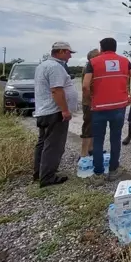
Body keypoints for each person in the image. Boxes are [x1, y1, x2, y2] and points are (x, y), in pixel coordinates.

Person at [82, 37, 131, 178]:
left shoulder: (93, 62)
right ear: (115, 48)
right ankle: (113, 171)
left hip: (99, 107)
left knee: (98, 140)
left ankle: (98, 174)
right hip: (119, 107)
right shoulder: (124, 61)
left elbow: (85, 85)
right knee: (115, 138)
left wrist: (90, 101)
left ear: (101, 48)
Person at [33, 41, 79, 187]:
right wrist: (64, 110)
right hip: (54, 112)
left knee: (43, 143)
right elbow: (56, 90)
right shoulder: (55, 67)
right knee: (54, 145)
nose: (70, 56)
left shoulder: (43, 65)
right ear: (60, 51)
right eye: (68, 53)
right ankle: (47, 177)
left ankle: (39, 173)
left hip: (44, 111)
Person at [80, 48, 100, 158]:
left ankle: (91, 149)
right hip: (89, 102)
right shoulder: (89, 68)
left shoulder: (91, 67)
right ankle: (83, 153)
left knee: (94, 126)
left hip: (94, 102)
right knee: (88, 126)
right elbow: (87, 87)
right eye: (98, 56)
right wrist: (89, 100)